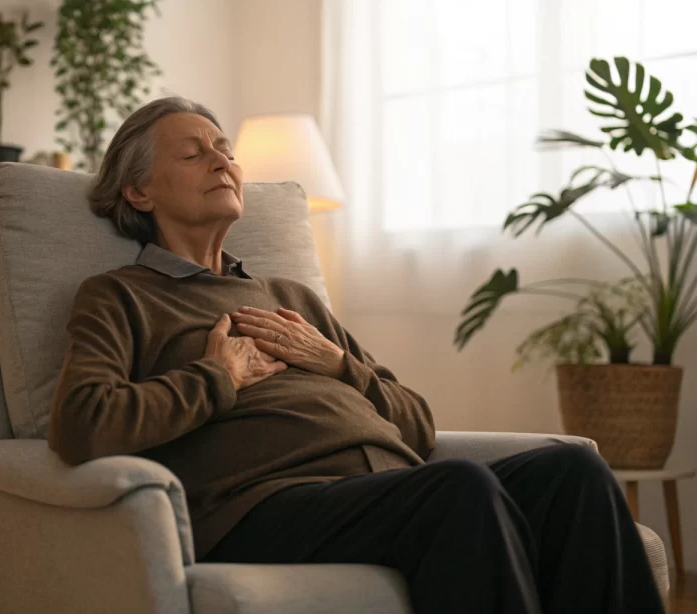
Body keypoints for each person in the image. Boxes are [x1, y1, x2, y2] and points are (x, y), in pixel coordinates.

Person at [48, 96, 665, 614]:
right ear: (138, 191)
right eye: (193, 153)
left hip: (385, 487)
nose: (223, 161)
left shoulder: (290, 296)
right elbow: (80, 425)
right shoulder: (120, 296)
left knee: (574, 473)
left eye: (225, 150)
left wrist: (339, 365)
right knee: (459, 488)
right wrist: (218, 376)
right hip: (264, 507)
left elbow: (417, 425)